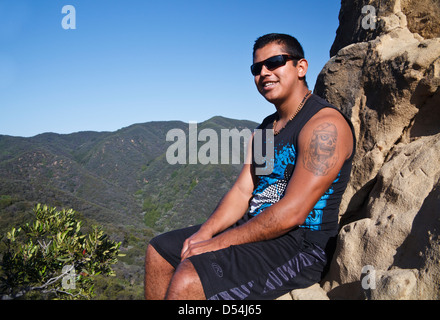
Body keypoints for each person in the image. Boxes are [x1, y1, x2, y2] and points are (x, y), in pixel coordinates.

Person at [144, 33, 355, 300]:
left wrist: (214, 245)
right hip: (257, 228)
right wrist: (204, 234)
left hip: (300, 244)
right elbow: (244, 191)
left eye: (275, 62)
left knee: (189, 278)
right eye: (257, 68)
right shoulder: (267, 129)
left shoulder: (324, 126)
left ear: (301, 67)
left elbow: (293, 213)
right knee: (160, 251)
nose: (264, 73)